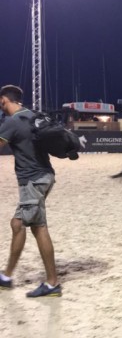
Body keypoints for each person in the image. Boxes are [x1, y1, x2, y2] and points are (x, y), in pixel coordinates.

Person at [0, 85, 61, 297]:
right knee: (27, 225)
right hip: (44, 176)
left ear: (3, 101)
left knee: (29, 226)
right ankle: (7, 276)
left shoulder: (13, 122)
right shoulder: (32, 116)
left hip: (33, 181)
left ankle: (50, 283)